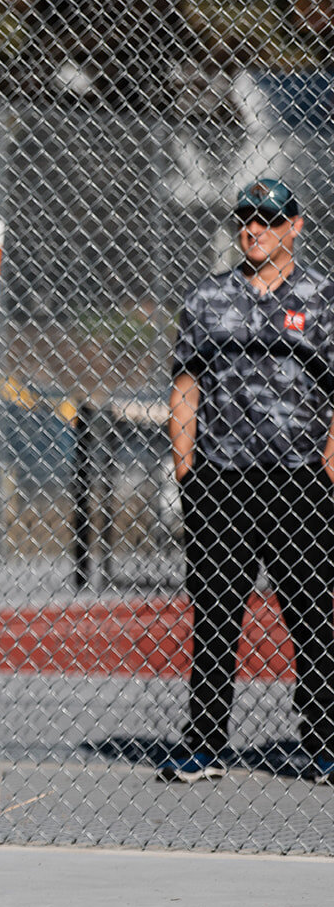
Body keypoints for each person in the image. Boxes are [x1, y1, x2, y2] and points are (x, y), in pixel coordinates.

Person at [161, 177, 334, 784]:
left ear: (295, 226)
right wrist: (187, 469)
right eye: (245, 217)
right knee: (214, 613)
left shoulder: (322, 297)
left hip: (298, 483)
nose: (253, 227)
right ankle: (204, 741)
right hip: (222, 480)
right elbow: (186, 383)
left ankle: (323, 739)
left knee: (314, 613)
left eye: (268, 217)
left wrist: (329, 467)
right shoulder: (209, 298)